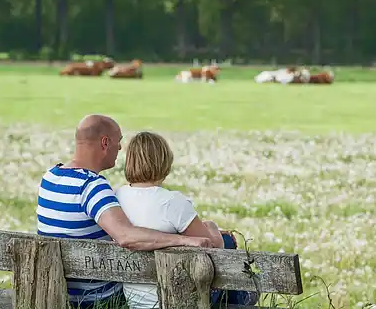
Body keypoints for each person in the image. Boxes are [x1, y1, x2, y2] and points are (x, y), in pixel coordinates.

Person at [36, 115, 213, 309]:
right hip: (96, 299)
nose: (121, 149)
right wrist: (183, 240)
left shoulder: (50, 177)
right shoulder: (92, 187)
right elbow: (126, 237)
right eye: (119, 142)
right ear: (105, 143)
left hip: (57, 292)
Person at [116, 131, 258, 308]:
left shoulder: (117, 196)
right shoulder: (172, 202)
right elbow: (213, 248)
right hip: (178, 299)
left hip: (134, 300)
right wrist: (212, 227)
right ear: (164, 162)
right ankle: (242, 300)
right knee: (227, 241)